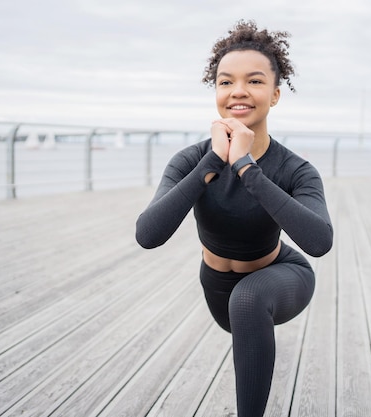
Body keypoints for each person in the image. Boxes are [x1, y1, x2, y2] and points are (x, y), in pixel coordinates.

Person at [135, 20, 333, 417]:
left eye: (254, 81)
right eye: (226, 82)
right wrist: (214, 159)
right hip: (216, 286)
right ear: (217, 94)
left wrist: (246, 166)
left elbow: (319, 242)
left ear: (275, 95)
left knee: (249, 298)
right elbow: (148, 234)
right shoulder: (191, 161)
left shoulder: (296, 170)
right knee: (239, 308)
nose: (238, 91)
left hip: (282, 275)